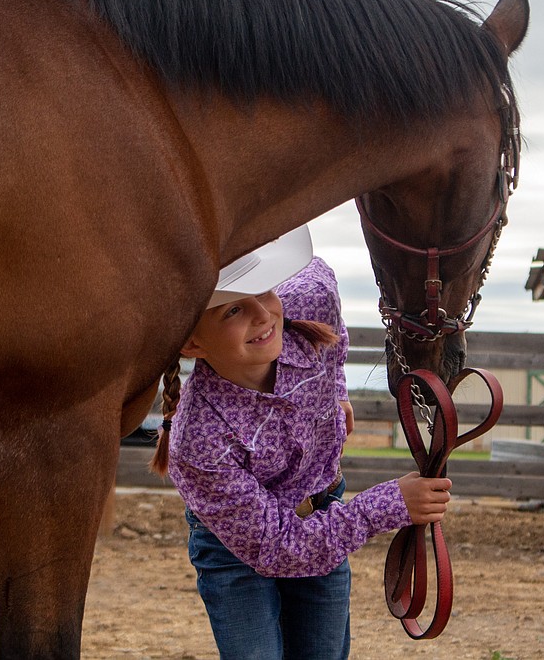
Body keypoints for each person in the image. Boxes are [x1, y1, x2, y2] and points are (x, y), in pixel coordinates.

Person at [149, 224, 452, 659]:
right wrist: (389, 504)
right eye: (232, 310)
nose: (263, 315)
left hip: (321, 507)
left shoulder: (309, 298)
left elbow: (330, 317)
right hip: (238, 548)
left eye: (263, 290)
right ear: (192, 342)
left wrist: (337, 388)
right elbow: (279, 546)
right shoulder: (199, 439)